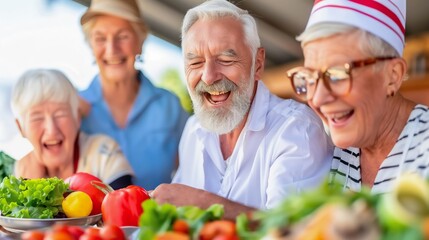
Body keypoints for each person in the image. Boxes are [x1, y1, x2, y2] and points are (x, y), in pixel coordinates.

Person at [150, 0, 333, 220]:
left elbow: (293, 230)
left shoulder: (297, 130)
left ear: (258, 64)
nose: (208, 76)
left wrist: (202, 203)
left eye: (226, 59)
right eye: (196, 63)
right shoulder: (193, 130)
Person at [288, 0, 429, 193]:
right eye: (310, 77)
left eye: (338, 74)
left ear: (392, 75)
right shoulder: (333, 152)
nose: (318, 99)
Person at [79, 0, 189, 189]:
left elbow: (193, 176)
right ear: (91, 46)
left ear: (140, 42)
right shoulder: (75, 108)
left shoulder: (170, 106)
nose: (112, 49)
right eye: (100, 38)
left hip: (156, 217)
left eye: (122, 36)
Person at [11, 69, 134, 189]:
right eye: (37, 118)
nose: (51, 129)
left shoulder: (104, 154)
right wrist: (30, 191)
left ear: (77, 118)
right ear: (20, 127)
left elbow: (124, 205)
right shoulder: (21, 172)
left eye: (60, 114)